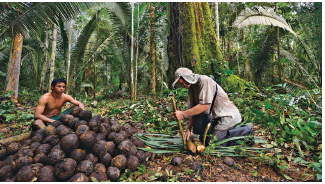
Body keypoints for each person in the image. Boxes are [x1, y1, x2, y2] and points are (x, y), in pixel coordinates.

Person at [172, 68, 245, 146]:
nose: (182, 86)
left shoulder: (204, 81)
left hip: (227, 116)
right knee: (203, 141)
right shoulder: (190, 88)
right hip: (215, 118)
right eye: (181, 84)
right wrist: (189, 130)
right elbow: (191, 110)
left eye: (182, 82)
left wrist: (183, 114)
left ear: (187, 77)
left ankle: (245, 131)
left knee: (213, 143)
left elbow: (205, 106)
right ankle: (225, 132)